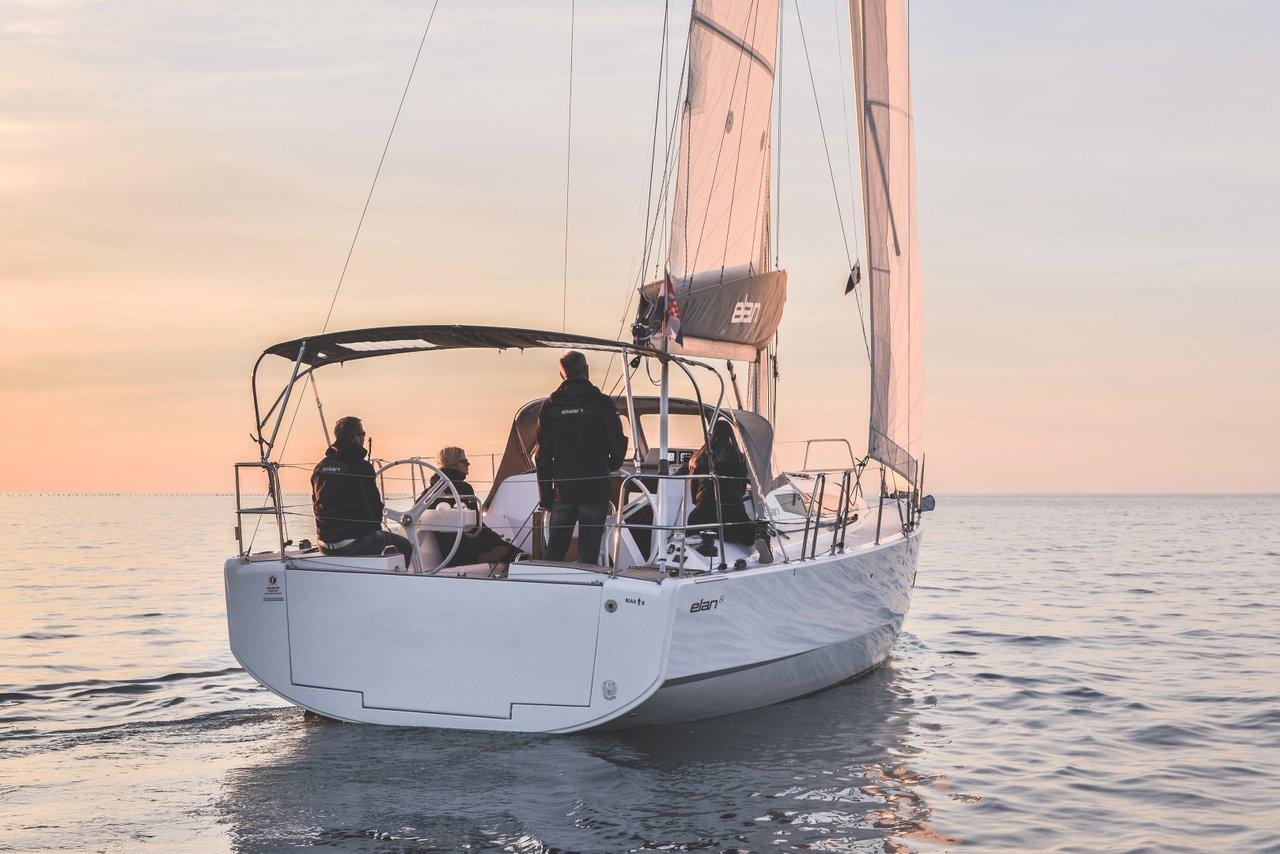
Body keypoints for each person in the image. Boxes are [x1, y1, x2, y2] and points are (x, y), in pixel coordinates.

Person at [535, 350, 627, 564]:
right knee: (589, 550)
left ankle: (546, 581)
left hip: (563, 490)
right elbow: (616, 442)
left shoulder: (550, 406)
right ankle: (586, 582)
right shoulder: (602, 403)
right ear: (586, 370)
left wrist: (546, 496)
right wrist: (610, 466)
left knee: (555, 549)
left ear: (562, 375)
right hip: (595, 486)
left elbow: (542, 456)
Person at [311, 416, 414, 566]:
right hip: (353, 543)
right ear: (355, 438)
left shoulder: (320, 467)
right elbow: (373, 508)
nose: (364, 438)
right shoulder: (361, 466)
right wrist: (375, 532)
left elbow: (316, 503)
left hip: (323, 544)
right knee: (405, 546)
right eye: (363, 434)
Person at [686, 419, 774, 563]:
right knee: (750, 531)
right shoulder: (740, 458)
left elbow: (694, 496)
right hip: (732, 514)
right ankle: (759, 537)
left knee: (692, 524)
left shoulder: (701, 458)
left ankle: (702, 544)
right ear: (732, 435)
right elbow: (741, 490)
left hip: (703, 514)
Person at [426, 446, 523, 569]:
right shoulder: (462, 488)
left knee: (501, 546)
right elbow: (476, 525)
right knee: (519, 556)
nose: (468, 464)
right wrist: (497, 540)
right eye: (464, 461)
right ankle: (480, 557)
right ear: (453, 464)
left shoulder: (430, 491)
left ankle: (484, 555)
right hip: (467, 545)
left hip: (449, 550)